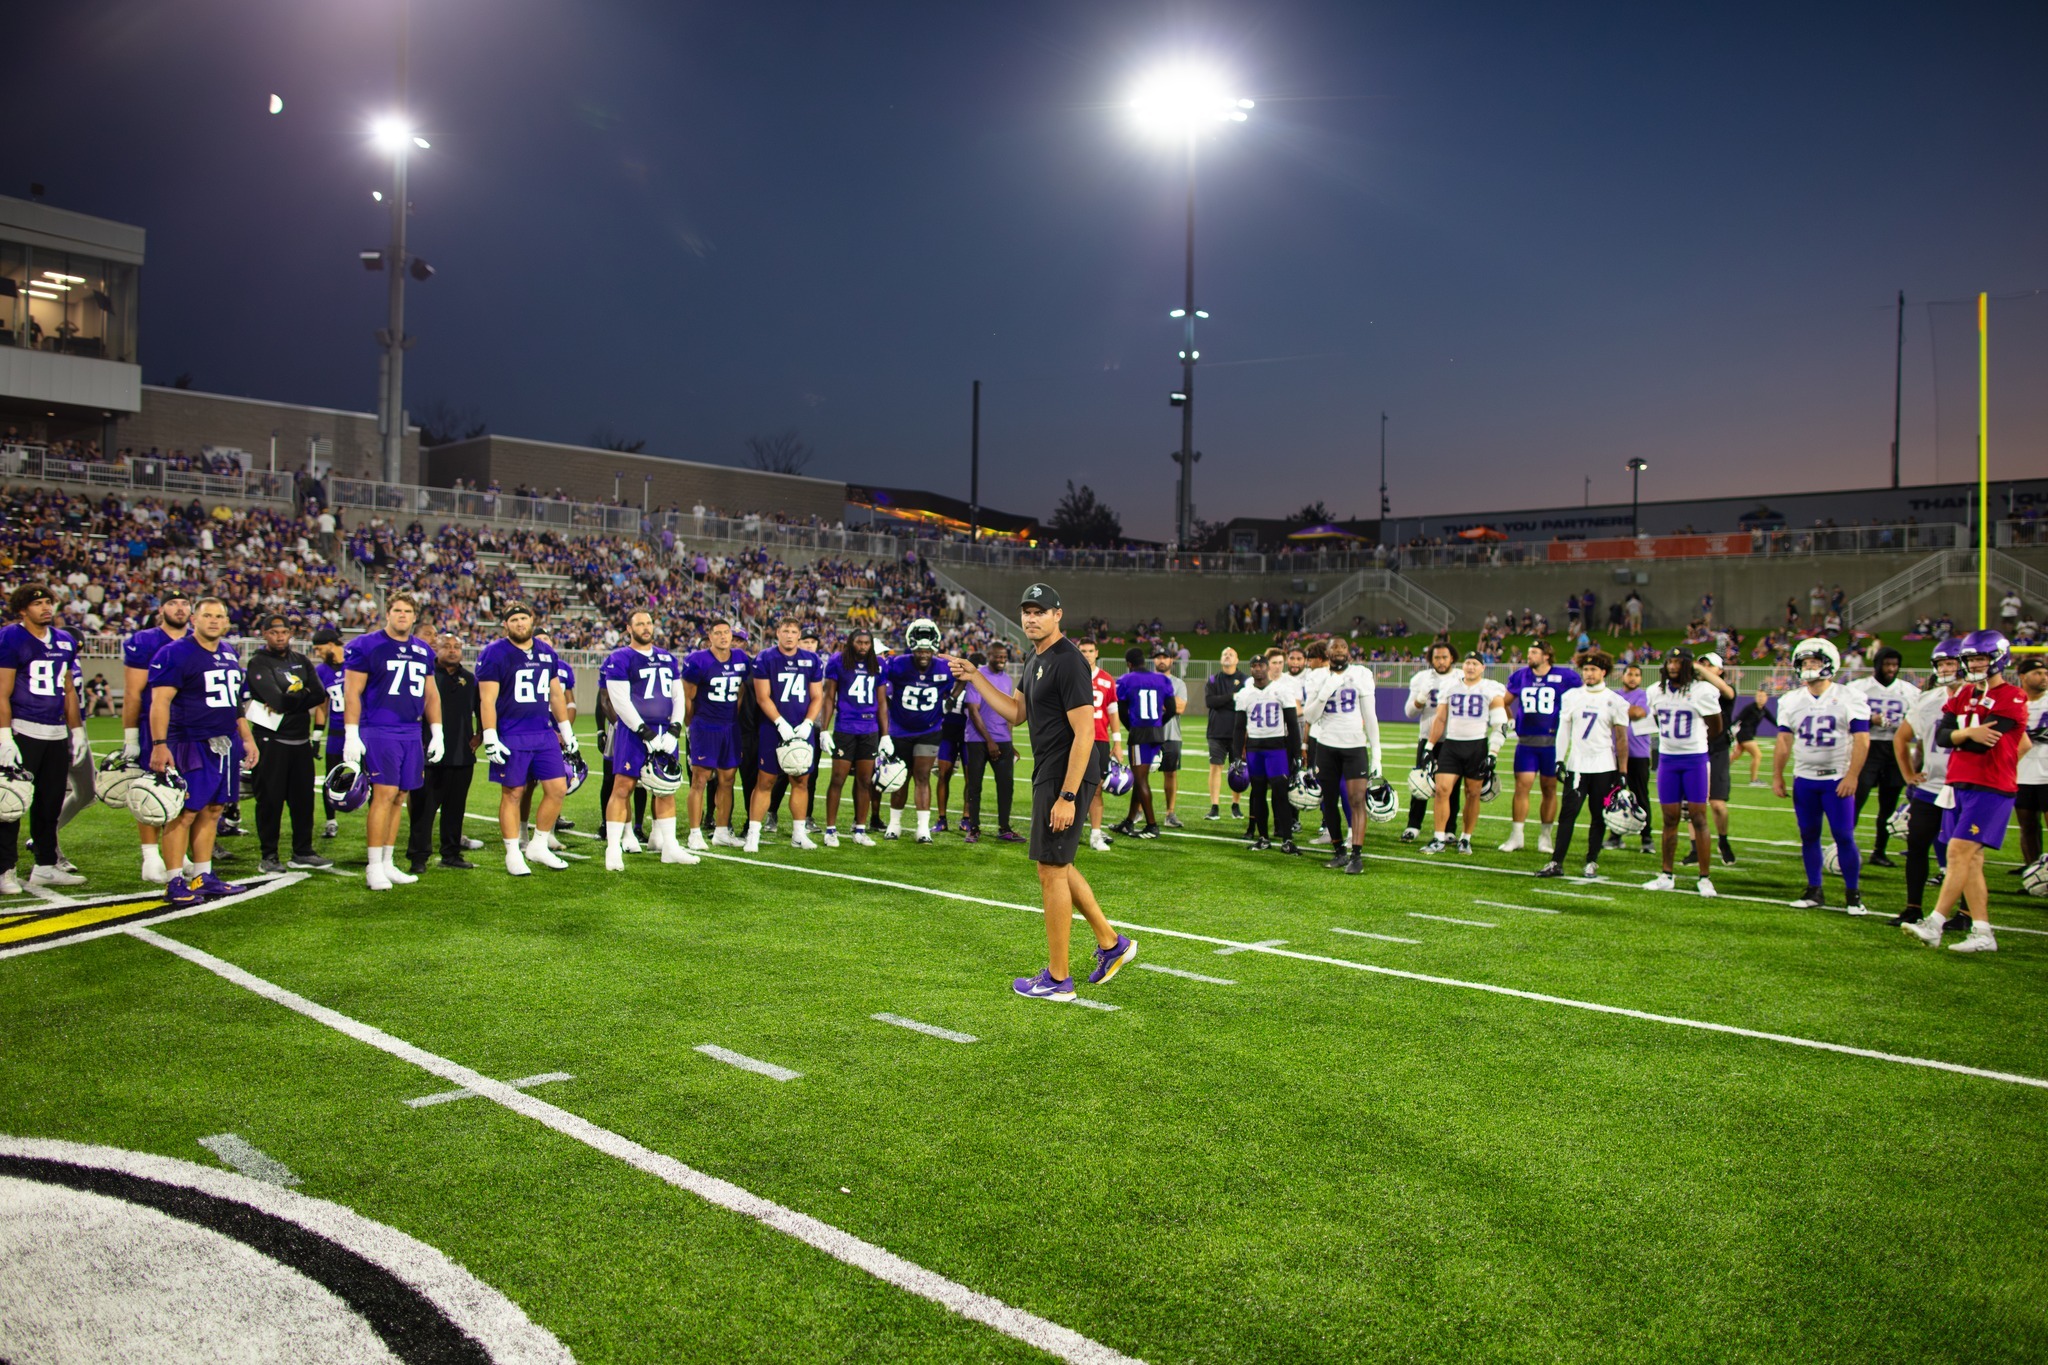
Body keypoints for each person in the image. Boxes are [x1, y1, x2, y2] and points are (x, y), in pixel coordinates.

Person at [946, 584, 1134, 1001]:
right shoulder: (1034, 657)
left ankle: (1058, 978)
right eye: (1026, 611)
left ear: (1057, 616)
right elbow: (1016, 713)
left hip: (1066, 774)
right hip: (1049, 771)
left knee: (1049, 869)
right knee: (1058, 865)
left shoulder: (1068, 661)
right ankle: (1111, 943)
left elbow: (1086, 732)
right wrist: (976, 676)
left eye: (1040, 611)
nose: (1031, 618)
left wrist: (1067, 796)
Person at [1903, 631, 2029, 952]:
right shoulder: (1965, 694)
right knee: (1971, 861)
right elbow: (1943, 737)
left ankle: (1935, 923)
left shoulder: (2012, 696)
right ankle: (1983, 933)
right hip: (1959, 784)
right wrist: (1967, 732)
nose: (1974, 664)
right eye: (1971, 658)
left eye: (1980, 658)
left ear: (1998, 659)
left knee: (1957, 852)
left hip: (1990, 786)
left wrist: (1963, 733)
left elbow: (1977, 741)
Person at [145, 596, 258, 906]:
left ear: (226, 622)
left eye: (219, 616)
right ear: (194, 619)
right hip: (190, 742)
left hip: (225, 742)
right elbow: (160, 703)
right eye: (207, 615)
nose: (213, 620)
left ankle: (202, 875)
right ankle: (173, 881)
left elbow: (235, 703)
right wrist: (159, 745)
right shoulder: (175, 653)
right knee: (185, 813)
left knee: (213, 810)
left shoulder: (228, 652)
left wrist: (246, 737)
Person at [344, 592, 444, 891]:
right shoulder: (365, 645)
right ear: (387, 613)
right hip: (380, 728)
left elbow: (431, 694)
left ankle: (388, 861)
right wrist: (352, 732)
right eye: (397, 610)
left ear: (415, 616)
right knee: (384, 794)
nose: (402, 615)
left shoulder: (423, 650)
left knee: (401, 796)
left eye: (408, 611)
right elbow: (352, 692)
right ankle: (373, 866)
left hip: (411, 731)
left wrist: (437, 731)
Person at [0, 584, 90, 891]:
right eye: (38, 603)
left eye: (48, 602)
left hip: (55, 733)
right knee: (11, 803)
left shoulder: (64, 640)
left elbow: (68, 690)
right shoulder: (11, 636)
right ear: (23, 609)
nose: (46, 607)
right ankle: (5, 869)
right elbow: (3, 690)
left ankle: (45, 865)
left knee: (50, 803)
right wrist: (4, 735)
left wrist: (76, 730)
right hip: (23, 728)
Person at [476, 602, 576, 876]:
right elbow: (487, 699)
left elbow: (556, 695)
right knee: (513, 793)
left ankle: (539, 844)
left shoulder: (546, 652)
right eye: (514, 619)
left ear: (532, 620)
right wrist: (490, 736)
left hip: (543, 733)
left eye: (524, 618)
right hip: (512, 733)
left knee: (557, 788)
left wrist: (566, 730)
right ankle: (512, 852)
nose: (520, 623)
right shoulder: (494, 653)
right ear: (505, 624)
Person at [1772, 639, 1869, 913]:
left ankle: (1853, 894)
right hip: (1805, 779)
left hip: (1836, 779)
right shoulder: (1790, 699)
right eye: (1804, 663)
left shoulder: (1850, 696)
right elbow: (1783, 741)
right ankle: (1814, 890)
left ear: (1829, 664)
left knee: (1843, 836)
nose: (1808, 667)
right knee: (1809, 835)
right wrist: (1777, 775)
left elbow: (1862, 739)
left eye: (1814, 662)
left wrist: (1852, 776)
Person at [600, 608, 697, 869]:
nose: (645, 627)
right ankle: (613, 849)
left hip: (665, 731)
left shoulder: (666, 657)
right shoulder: (620, 657)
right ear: (629, 629)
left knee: (666, 788)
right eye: (640, 624)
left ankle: (669, 847)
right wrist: (644, 732)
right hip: (633, 733)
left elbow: (678, 697)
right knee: (622, 787)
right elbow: (619, 701)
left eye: (649, 623)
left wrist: (675, 730)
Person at [243, 613, 331, 873]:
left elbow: (318, 694)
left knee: (303, 801)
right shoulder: (258, 662)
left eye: (283, 632)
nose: (279, 636)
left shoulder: (301, 660)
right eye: (273, 632)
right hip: (271, 741)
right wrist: (299, 697)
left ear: (290, 633)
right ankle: (268, 856)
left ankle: (302, 851)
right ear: (265, 634)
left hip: (300, 741)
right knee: (270, 801)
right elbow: (279, 700)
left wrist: (292, 699)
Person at [1539, 651, 1631, 879]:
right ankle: (1556, 862)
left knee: (1598, 816)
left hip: (1604, 766)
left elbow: (1621, 738)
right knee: (1568, 814)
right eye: (1586, 669)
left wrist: (1622, 771)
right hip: (1577, 765)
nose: (1589, 673)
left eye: (1594, 670)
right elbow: (1564, 730)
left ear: (1604, 672)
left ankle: (1591, 860)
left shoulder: (1616, 700)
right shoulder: (1572, 696)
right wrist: (1559, 759)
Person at [1892, 638, 1963, 929]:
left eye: (1952, 663)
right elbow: (1902, 737)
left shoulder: (1981, 700)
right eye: (1942, 664)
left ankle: (1967, 914)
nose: (1947, 668)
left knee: (1966, 853)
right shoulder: (1929, 699)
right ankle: (1913, 907)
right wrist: (1909, 773)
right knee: (1917, 844)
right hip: (1932, 785)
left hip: (1965, 787)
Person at [122, 591, 191, 882]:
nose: (179, 608)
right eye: (173, 603)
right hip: (157, 727)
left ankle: (179, 853)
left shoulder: (197, 641)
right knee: (152, 787)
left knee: (183, 791)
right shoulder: (145, 641)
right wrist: (131, 736)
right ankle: (150, 855)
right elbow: (133, 692)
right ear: (161, 609)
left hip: (191, 728)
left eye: (185, 603)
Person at [1298, 636, 1380, 874]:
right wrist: (1325, 691)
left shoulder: (1361, 674)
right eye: (1335, 647)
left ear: (1349, 651)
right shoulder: (1316, 677)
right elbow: (1310, 717)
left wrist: (1377, 755)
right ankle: (1338, 852)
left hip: (1354, 745)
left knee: (1356, 800)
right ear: (1328, 652)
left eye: (1343, 647)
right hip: (1326, 745)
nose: (1339, 650)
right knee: (1329, 802)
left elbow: (1371, 716)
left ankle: (1356, 855)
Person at [1644, 648, 1722, 896]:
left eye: (1678, 661)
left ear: (1688, 665)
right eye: (1669, 660)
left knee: (1699, 817)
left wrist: (1694, 743)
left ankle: (1704, 877)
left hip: (1695, 760)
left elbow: (1716, 726)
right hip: (1668, 760)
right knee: (1669, 818)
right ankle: (1667, 874)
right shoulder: (1656, 690)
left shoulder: (1702, 690)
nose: (1672, 665)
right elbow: (1656, 721)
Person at [746, 617, 824, 853]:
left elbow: (817, 696)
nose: (789, 635)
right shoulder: (765, 658)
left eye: (794, 631)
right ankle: (753, 834)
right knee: (766, 781)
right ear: (777, 633)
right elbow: (762, 697)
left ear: (799, 635)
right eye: (785, 631)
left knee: (801, 781)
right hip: (773, 728)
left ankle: (799, 834)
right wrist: (780, 722)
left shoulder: (812, 660)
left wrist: (809, 723)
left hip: (802, 728)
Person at [407, 631, 480, 872]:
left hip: (461, 755)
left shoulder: (470, 679)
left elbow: (482, 709)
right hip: (428, 756)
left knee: (455, 809)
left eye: (456, 647)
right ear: (435, 648)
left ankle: (451, 854)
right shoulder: (425, 676)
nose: (452, 650)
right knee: (423, 810)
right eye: (446, 646)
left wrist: (480, 733)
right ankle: (419, 857)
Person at [1499, 641, 1581, 854]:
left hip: (1552, 744)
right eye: (1529, 651)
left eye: (1534, 652)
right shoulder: (1521, 676)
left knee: (1549, 788)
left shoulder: (1565, 676)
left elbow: (1581, 697)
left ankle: (1545, 838)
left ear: (1546, 655)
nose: (1529, 655)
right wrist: (1510, 721)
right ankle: (1517, 836)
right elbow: (1504, 701)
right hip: (1526, 743)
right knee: (1521, 787)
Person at [1422, 651, 1507, 856]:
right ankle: (1439, 837)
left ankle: (1466, 839)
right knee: (1442, 790)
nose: (1471, 667)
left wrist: (1493, 753)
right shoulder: (1450, 687)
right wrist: (1429, 747)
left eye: (1475, 663)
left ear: (1482, 668)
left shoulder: (1491, 689)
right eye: (1468, 663)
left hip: (1477, 746)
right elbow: (1440, 719)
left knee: (1473, 793)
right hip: (1452, 745)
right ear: (1463, 666)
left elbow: (1500, 724)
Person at [881, 618, 953, 843]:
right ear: (912, 647)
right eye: (920, 650)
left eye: (927, 650)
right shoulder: (898, 664)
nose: (923, 654)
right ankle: (894, 825)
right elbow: (879, 678)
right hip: (900, 729)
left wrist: (950, 700)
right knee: (900, 778)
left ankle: (922, 829)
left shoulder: (944, 666)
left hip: (929, 729)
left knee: (922, 776)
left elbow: (964, 676)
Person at [1849, 646, 1920, 867]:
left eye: (1894, 665)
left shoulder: (1909, 691)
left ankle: (1879, 851)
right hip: (1867, 748)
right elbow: (1847, 717)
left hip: (1895, 750)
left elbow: (1917, 720)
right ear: (1877, 665)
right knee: (1855, 801)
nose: (1891, 669)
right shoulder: (1858, 688)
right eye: (1887, 664)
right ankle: (1843, 846)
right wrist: (1870, 720)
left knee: (1888, 805)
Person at [682, 620, 750, 850]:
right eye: (718, 633)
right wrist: (691, 725)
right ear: (710, 637)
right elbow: (687, 697)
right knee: (699, 780)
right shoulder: (697, 660)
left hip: (729, 727)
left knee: (728, 780)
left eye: (727, 633)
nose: (723, 637)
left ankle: (721, 831)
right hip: (705, 726)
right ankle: (694, 833)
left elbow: (741, 690)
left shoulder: (741, 659)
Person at [820, 627, 886, 847]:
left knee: (865, 781)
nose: (863, 647)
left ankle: (860, 828)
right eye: (859, 642)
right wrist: (824, 729)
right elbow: (829, 697)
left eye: (867, 643)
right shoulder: (838, 661)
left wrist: (885, 735)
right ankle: (830, 830)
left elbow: (882, 702)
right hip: (846, 727)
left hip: (869, 729)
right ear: (851, 642)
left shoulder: (878, 664)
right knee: (837, 778)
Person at [1230, 654, 1300, 852]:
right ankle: (1263, 838)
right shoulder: (1244, 694)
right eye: (1254, 665)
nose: (1257, 668)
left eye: (1261, 665)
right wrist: (1236, 755)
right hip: (1254, 748)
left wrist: (1296, 754)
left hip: (1276, 748)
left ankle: (1287, 839)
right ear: (1250, 669)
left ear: (1267, 667)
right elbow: (1238, 728)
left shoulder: (1281, 691)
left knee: (1280, 793)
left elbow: (1293, 725)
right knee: (1258, 793)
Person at [1112, 647, 1177, 839]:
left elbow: (1121, 709)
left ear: (1129, 664)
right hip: (1156, 733)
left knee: (1140, 780)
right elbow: (1172, 709)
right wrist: (1157, 724)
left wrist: (1131, 728)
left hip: (1140, 733)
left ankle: (1151, 825)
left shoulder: (1125, 680)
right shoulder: (1162, 679)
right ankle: (1130, 822)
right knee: (1140, 779)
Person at [961, 642, 1020, 843]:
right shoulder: (977, 676)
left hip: (1002, 740)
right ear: (989, 655)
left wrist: (1009, 742)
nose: (1002, 660)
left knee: (1006, 785)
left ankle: (1004, 827)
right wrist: (990, 741)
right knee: (974, 785)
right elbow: (973, 710)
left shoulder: (1007, 679)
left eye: (1004, 656)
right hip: (978, 740)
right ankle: (974, 828)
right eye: (998, 656)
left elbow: (1008, 711)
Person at [1403, 642, 1460, 841]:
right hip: (1428, 738)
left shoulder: (1461, 677)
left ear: (1452, 657)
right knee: (1421, 783)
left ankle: (1449, 829)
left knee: (1452, 788)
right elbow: (1409, 712)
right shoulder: (1422, 679)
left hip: (1454, 740)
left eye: (1445, 657)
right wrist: (1420, 697)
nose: (1441, 661)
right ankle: (1413, 826)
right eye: (1437, 657)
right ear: (1431, 659)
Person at [1076, 638, 1124, 852]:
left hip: (1100, 739)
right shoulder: (1071, 675)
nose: (1086, 654)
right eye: (1082, 651)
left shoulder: (1107, 679)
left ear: (1097, 653)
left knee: (1096, 789)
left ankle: (1096, 834)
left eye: (1090, 651)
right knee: (1070, 786)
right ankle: (1070, 830)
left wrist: (1118, 742)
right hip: (1075, 738)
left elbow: (1113, 713)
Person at [1693, 652, 1738, 867]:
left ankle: (1723, 840)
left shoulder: (1724, 691)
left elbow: (1727, 692)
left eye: (1708, 665)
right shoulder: (1693, 690)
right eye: (1701, 664)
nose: (1703, 668)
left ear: (1719, 670)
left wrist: (1700, 670)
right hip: (1695, 749)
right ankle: (1695, 847)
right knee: (1693, 803)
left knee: (1717, 804)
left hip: (1718, 749)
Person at [311, 627, 351, 840]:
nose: (317, 653)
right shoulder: (321, 671)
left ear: (330, 644)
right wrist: (317, 736)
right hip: (336, 733)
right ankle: (331, 821)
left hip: (360, 730)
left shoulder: (355, 663)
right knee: (332, 777)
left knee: (369, 776)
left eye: (319, 649)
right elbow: (321, 705)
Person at [1613, 661, 1654, 855]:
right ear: (1623, 676)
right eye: (1630, 674)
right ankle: (1615, 834)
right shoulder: (1615, 695)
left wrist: (1618, 710)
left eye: (1637, 675)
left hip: (1638, 754)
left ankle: (1646, 836)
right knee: (1614, 796)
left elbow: (1639, 713)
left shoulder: (1644, 695)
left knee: (1640, 795)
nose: (1633, 678)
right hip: (1614, 754)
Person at [2014, 653, 2048, 870]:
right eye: (2037, 673)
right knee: (2027, 825)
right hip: (2021, 772)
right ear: (2023, 677)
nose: (2044, 677)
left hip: (2047, 772)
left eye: (2046, 673)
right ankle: (2032, 872)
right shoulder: (2015, 702)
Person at [1204, 647, 1246, 821]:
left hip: (1238, 731)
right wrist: (1231, 697)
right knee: (1215, 767)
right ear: (1221, 660)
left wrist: (1223, 700)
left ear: (1237, 659)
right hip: (1216, 731)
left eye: (1231, 654)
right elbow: (1210, 702)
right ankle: (1214, 806)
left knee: (1237, 769)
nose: (1227, 656)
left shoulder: (1245, 679)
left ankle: (1236, 805)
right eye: (1224, 654)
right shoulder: (1213, 679)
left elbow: (1243, 703)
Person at [1153, 644, 1188, 828]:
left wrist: (1156, 701)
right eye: (1158, 657)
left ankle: (1170, 813)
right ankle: (1139, 812)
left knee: (1171, 774)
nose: (1161, 660)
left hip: (1171, 734)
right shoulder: (1146, 680)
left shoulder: (1178, 683)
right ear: (1154, 660)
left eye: (1164, 657)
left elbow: (1180, 708)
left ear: (1171, 660)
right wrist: (1168, 702)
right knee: (1141, 774)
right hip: (1148, 735)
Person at [1732, 684, 1771, 787]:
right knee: (1757, 755)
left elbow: (1773, 721)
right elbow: (1738, 718)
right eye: (1758, 696)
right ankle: (1754, 780)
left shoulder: (1763, 710)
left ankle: (1716, 773)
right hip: (1744, 734)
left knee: (1734, 756)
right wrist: (1730, 729)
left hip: (1748, 734)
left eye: (1762, 696)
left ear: (1767, 698)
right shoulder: (1750, 707)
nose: (1760, 698)